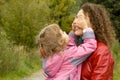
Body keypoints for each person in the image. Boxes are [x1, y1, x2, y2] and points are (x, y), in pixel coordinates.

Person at [72, 2, 115, 80]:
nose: (75, 21)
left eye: (80, 17)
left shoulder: (101, 51)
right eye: (76, 17)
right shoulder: (78, 46)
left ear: (93, 23)